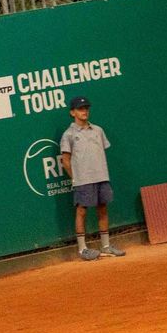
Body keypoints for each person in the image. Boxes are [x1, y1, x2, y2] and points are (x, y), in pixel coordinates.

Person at [59, 96, 124, 260]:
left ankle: (106, 246)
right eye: (80, 109)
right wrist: (76, 178)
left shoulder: (98, 130)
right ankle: (82, 249)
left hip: (101, 176)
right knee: (81, 211)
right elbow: (65, 161)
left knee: (103, 208)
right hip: (83, 180)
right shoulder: (69, 135)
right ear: (72, 112)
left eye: (86, 108)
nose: (85, 111)